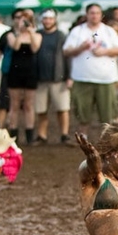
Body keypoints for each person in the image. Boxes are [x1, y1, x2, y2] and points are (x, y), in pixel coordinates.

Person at [64, 3, 118, 135]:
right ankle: (83, 139)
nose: (94, 15)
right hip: (82, 78)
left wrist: (105, 51)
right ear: (87, 14)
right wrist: (81, 48)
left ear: (101, 15)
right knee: (82, 113)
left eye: (97, 13)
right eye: (92, 13)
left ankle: (109, 141)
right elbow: (66, 51)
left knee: (108, 114)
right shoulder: (78, 31)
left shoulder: (108, 31)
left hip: (105, 79)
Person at [5, 9, 42, 146]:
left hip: (30, 73)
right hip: (15, 73)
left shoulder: (37, 35)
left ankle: (29, 136)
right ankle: (13, 136)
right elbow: (15, 47)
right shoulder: (11, 35)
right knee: (14, 105)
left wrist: (30, 32)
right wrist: (20, 32)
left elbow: (35, 48)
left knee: (28, 105)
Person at [34, 9, 71, 143]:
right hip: (40, 79)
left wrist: (69, 76)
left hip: (58, 79)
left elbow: (67, 57)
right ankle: (42, 135)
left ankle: (64, 134)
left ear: (55, 19)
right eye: (45, 18)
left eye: (50, 18)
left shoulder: (61, 36)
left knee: (62, 108)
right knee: (41, 110)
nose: (47, 21)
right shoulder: (37, 35)